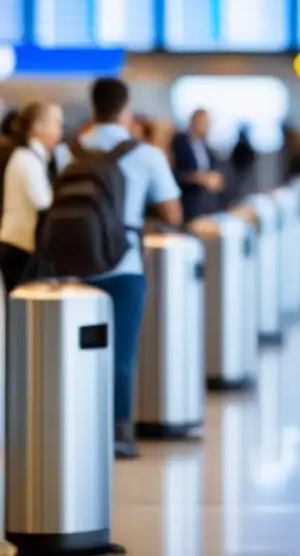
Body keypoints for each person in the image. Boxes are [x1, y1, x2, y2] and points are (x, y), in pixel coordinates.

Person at [68, 78, 183, 457]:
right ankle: (119, 433)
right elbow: (173, 211)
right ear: (125, 108)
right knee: (121, 354)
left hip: (70, 265)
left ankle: (73, 426)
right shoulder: (144, 153)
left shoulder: (67, 151)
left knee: (72, 351)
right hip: (123, 263)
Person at [0, 101, 63, 291]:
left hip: (21, 249)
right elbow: (45, 205)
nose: (59, 129)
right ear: (38, 126)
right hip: (18, 250)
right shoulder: (26, 159)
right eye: (56, 123)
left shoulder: (34, 158)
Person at [170, 108, 223, 223]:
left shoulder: (206, 146)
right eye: (205, 123)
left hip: (208, 206)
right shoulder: (180, 142)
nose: (208, 127)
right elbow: (172, 173)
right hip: (189, 204)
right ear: (194, 122)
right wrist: (196, 178)